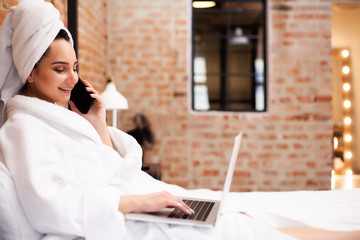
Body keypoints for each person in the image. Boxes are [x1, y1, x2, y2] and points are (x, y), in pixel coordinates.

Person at [0, 1, 359, 240]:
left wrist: (98, 123)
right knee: (233, 226)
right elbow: (45, 203)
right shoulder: (23, 127)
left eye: (75, 68)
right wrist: (137, 203)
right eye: (59, 69)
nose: (72, 79)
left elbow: (109, 171)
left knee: (240, 211)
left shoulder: (60, 118)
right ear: (30, 73)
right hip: (120, 218)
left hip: (132, 203)